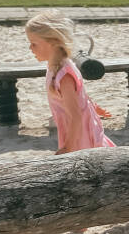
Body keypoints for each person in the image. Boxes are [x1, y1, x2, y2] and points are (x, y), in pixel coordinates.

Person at [25, 10, 114, 153]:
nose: (30, 48)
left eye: (34, 44)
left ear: (53, 43)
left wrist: (68, 147)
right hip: (73, 129)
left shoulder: (64, 75)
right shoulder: (55, 67)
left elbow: (76, 116)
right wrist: (93, 106)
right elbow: (79, 95)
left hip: (79, 134)